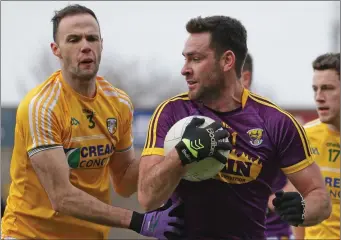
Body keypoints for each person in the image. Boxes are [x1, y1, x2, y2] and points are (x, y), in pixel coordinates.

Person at [137, 15, 332, 239]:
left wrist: (303, 210)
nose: (185, 69)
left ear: (227, 61)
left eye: (196, 59)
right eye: (185, 59)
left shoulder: (276, 122)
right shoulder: (171, 113)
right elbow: (146, 197)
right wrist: (182, 154)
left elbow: (320, 199)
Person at [1, 4, 184, 239]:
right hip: (29, 234)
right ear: (56, 50)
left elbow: (125, 183)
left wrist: (174, 152)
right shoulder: (41, 106)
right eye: (74, 39)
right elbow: (62, 197)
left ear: (101, 44)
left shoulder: (118, 103)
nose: (85, 46)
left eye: (92, 38)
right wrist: (137, 221)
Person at [241, 53, 295, 240]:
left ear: (245, 78)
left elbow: (301, 182)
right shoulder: (209, 122)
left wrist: (269, 202)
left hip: (270, 233)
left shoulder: (274, 122)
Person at [293, 53, 340, 240]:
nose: (319, 97)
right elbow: (297, 208)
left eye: (327, 88)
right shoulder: (304, 137)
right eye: (315, 89)